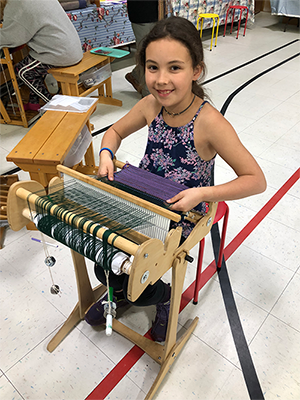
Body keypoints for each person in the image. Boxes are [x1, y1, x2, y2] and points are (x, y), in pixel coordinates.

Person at [85, 16, 266, 342]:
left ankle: (161, 294)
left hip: (187, 210)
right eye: (152, 67)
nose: (161, 79)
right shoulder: (150, 105)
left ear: (196, 70)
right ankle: (124, 288)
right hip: (142, 194)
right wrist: (105, 154)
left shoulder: (209, 122)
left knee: (138, 268)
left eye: (175, 68)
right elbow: (113, 131)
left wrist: (202, 193)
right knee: (102, 259)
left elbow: (256, 179)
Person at [0, 0, 83, 111]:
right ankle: (33, 103)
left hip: (60, 53)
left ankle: (55, 106)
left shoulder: (17, 4)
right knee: (33, 68)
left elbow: (13, 38)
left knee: (22, 72)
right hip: (71, 48)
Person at [125, 0, 158, 97]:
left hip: (159, 11)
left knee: (159, 53)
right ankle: (148, 93)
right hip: (142, 13)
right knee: (147, 54)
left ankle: (136, 74)